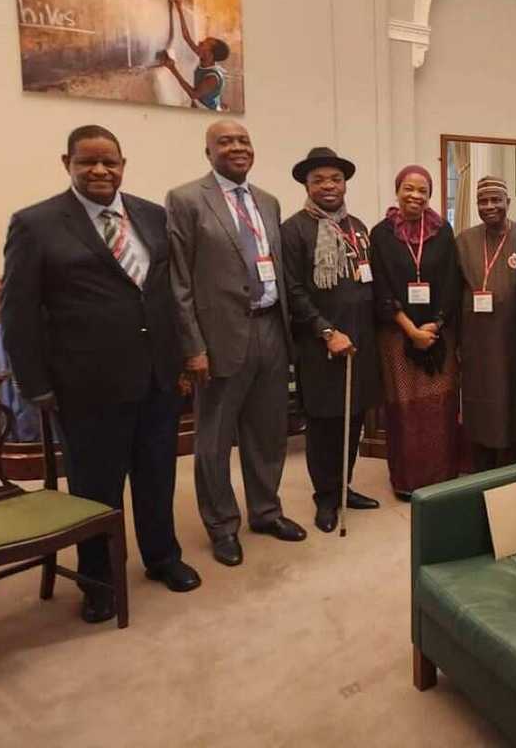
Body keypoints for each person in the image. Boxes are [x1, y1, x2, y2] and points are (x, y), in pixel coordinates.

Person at [2, 125, 200, 623]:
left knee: (157, 476)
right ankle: (99, 580)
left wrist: (180, 362)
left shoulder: (152, 217)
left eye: (108, 161)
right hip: (87, 386)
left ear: (122, 164)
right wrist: (36, 386)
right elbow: (20, 314)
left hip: (157, 378)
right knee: (96, 488)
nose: (99, 171)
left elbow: (161, 296)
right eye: (86, 162)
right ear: (66, 163)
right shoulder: (36, 224)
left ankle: (163, 558)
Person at [167, 119, 306, 567]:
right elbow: (179, 281)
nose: (237, 147)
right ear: (208, 152)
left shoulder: (268, 201)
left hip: (270, 330)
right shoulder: (187, 200)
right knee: (214, 438)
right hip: (219, 337)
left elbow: (277, 269)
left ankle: (265, 512)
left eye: (244, 140)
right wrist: (192, 346)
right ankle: (222, 525)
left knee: (268, 433)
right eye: (224, 141)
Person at [281, 147, 383, 532]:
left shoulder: (357, 227)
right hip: (321, 344)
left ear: (344, 184)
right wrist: (325, 330)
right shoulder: (294, 230)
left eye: (335, 179)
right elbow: (293, 291)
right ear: (307, 185)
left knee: (354, 419)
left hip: (361, 342)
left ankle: (344, 488)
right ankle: (325, 498)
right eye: (319, 180)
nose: (328, 186)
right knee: (325, 424)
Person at [370, 165, 463, 497]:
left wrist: (434, 324)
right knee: (405, 410)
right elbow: (380, 287)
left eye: (422, 190)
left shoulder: (443, 231)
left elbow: (453, 282)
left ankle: (441, 476)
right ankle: (408, 481)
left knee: (439, 407)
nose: (415, 196)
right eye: (408, 189)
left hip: (439, 334)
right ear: (397, 191)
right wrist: (411, 330)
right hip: (397, 335)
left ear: (430, 194)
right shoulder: (381, 234)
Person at [455, 176, 516, 471]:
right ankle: (481, 469)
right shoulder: (463, 240)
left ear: (508, 203)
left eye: (495, 200)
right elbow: (453, 292)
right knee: (481, 405)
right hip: (477, 342)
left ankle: (515, 469)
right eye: (482, 201)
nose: (489, 206)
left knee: (515, 403)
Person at [158, 0, 230, 110]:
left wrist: (173, 69)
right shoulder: (204, 57)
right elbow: (186, 37)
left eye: (204, 44)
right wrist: (179, 9)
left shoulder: (212, 78)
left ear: (209, 54)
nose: (199, 42)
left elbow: (193, 94)